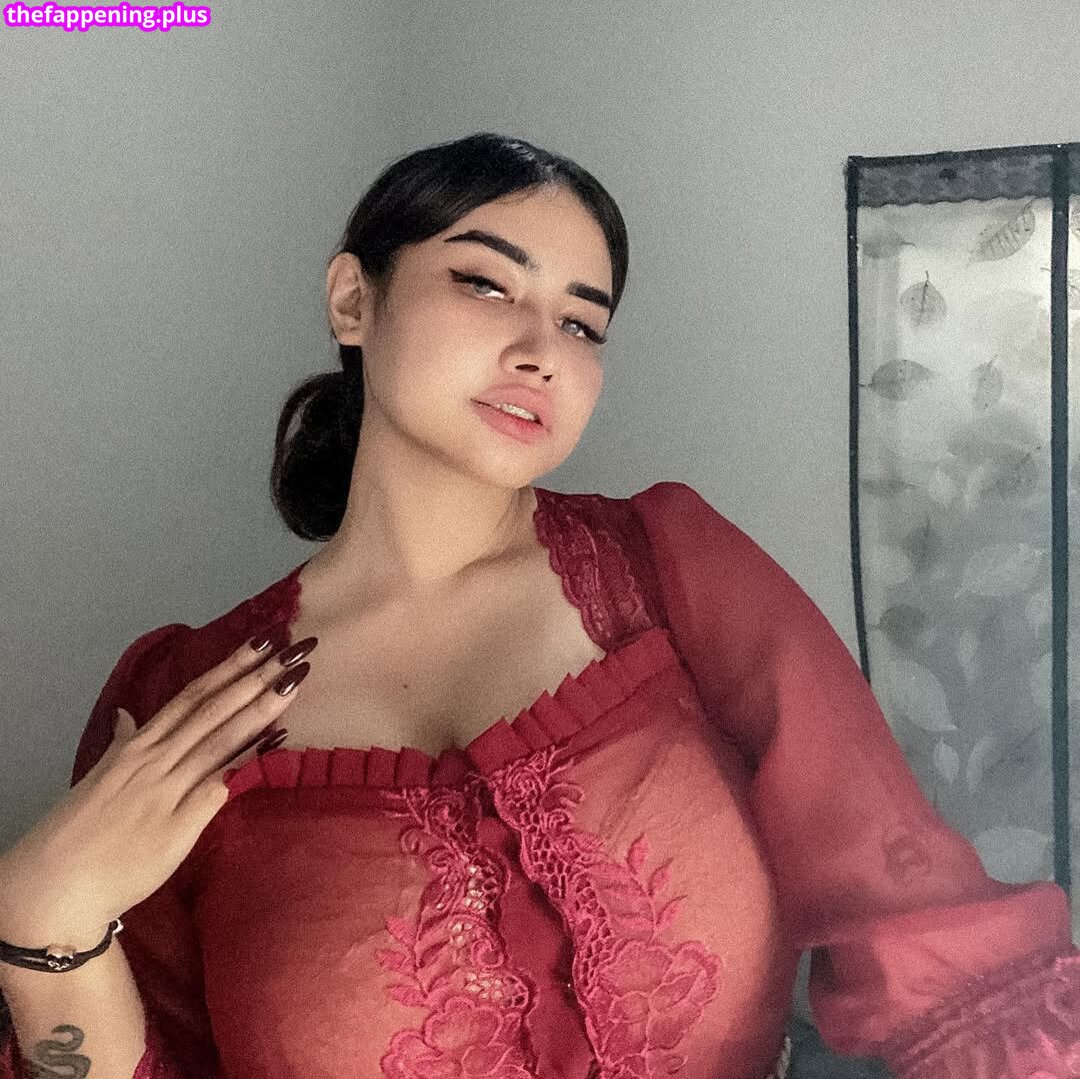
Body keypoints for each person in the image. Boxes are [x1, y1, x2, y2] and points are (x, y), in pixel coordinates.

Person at [0, 131, 1076, 1079]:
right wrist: (46, 927)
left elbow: (935, 937)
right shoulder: (180, 700)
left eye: (581, 323)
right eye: (485, 284)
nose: (541, 352)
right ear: (353, 299)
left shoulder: (670, 569)